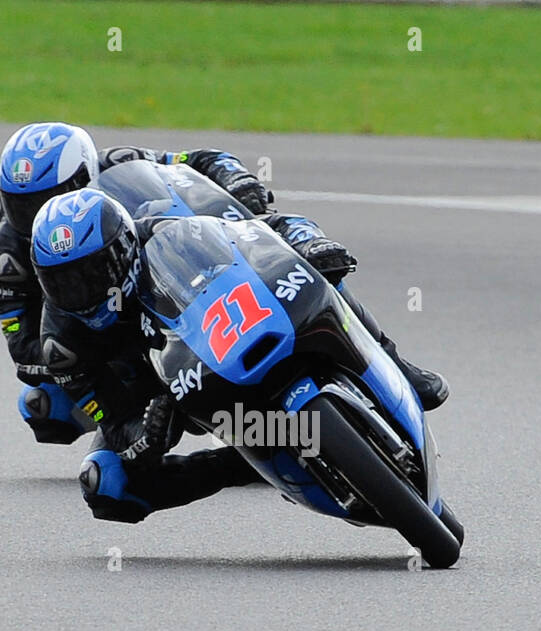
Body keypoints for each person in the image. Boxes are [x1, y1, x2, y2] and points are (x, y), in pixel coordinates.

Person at [30, 188, 447, 524]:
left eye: (90, 274)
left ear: (122, 248)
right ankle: (243, 465)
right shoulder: (62, 347)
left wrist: (309, 242)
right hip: (150, 392)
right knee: (106, 486)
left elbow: (257, 233)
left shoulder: (165, 233)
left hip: (214, 334)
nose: (80, 293)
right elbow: (112, 419)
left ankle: (396, 366)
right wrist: (146, 434)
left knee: (318, 272)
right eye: (62, 282)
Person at [0, 122, 271, 445]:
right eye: (19, 206)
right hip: (100, 329)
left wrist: (238, 181)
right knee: (44, 407)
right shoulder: (9, 259)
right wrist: (90, 343)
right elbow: (24, 354)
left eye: (46, 199)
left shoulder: (121, 162)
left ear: (84, 176)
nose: (41, 217)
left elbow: (201, 160)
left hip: (166, 271)